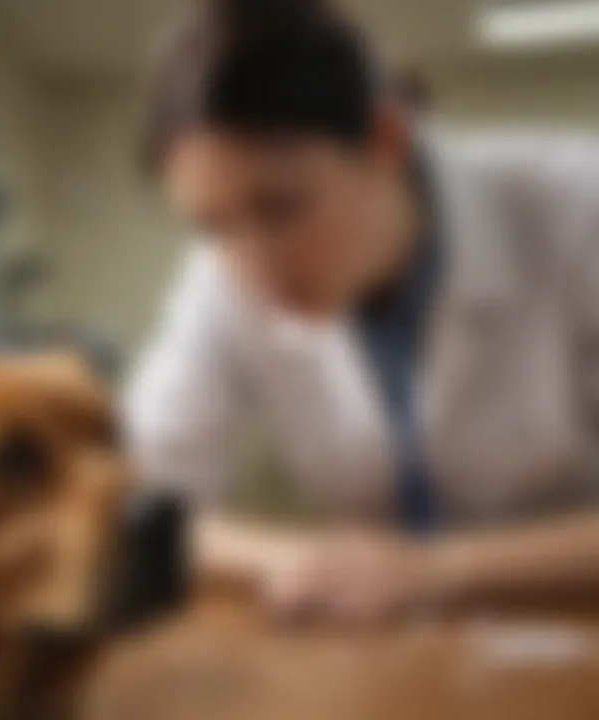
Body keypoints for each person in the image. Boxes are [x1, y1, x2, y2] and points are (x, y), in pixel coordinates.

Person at [127, 0, 599, 624]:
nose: (251, 265)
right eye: (210, 226)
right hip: (387, 653)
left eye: (281, 209)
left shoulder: (576, 209)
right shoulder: (221, 267)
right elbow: (143, 496)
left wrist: (434, 571)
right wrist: (295, 562)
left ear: (385, 139)